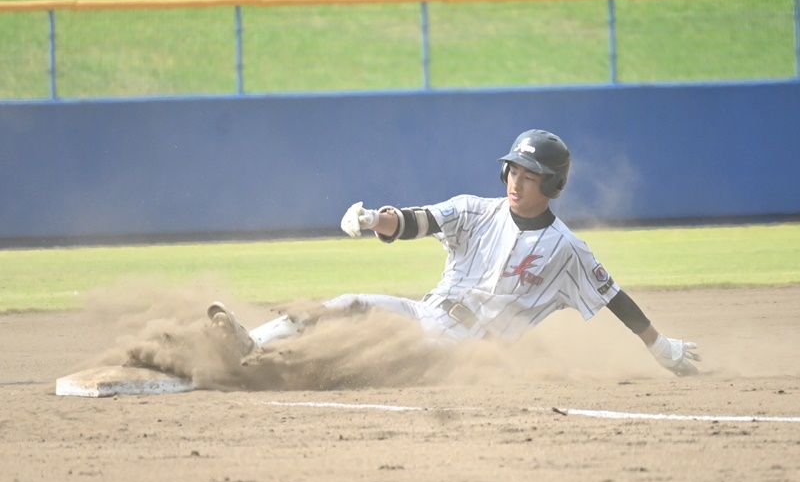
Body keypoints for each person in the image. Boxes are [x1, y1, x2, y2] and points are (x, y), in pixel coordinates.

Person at [209, 129, 701, 376]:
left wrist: (661, 348)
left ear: (551, 183)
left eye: (528, 174)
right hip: (426, 314)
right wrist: (372, 219)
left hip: (466, 352)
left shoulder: (567, 250)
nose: (516, 180)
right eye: (512, 170)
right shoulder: (474, 210)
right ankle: (248, 345)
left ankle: (274, 373)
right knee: (343, 305)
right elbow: (414, 221)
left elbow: (614, 297)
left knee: (368, 358)